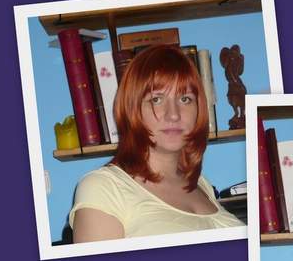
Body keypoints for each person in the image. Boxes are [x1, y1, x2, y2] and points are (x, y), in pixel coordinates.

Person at [69, 46, 244, 243]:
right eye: (157, 99)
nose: (174, 114)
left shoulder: (201, 184)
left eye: (185, 99)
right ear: (132, 109)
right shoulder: (104, 188)